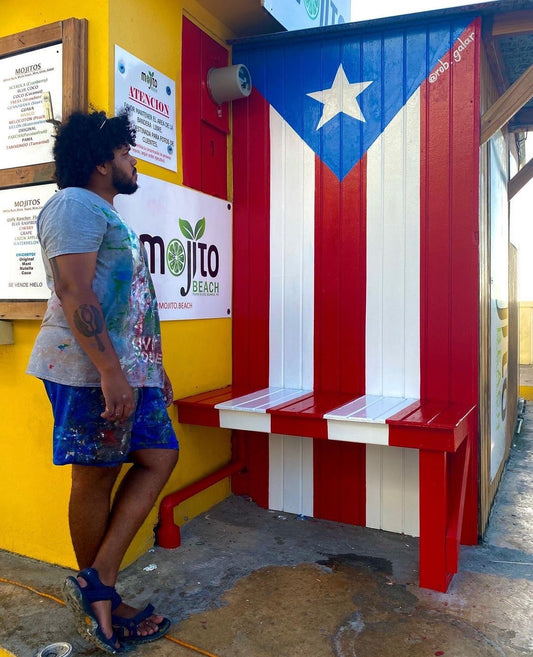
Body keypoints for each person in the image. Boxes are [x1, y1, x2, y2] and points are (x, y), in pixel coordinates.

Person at [27, 110, 179, 654]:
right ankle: (103, 602)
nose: (131, 162)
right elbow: (75, 293)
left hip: (126, 373)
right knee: (95, 479)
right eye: (124, 154)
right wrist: (112, 372)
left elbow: (127, 306)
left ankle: (99, 581)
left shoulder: (102, 213)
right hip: (89, 374)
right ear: (100, 162)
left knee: (159, 455)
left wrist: (150, 371)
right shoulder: (72, 205)